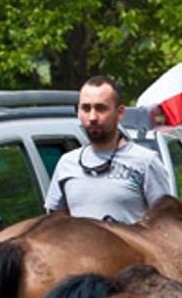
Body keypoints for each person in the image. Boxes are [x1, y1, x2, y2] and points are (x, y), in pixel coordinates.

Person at [43, 75, 174, 222]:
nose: (92, 117)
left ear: (120, 113)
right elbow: (56, 225)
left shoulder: (145, 162)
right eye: (86, 108)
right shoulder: (66, 164)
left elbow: (168, 224)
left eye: (101, 108)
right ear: (78, 112)